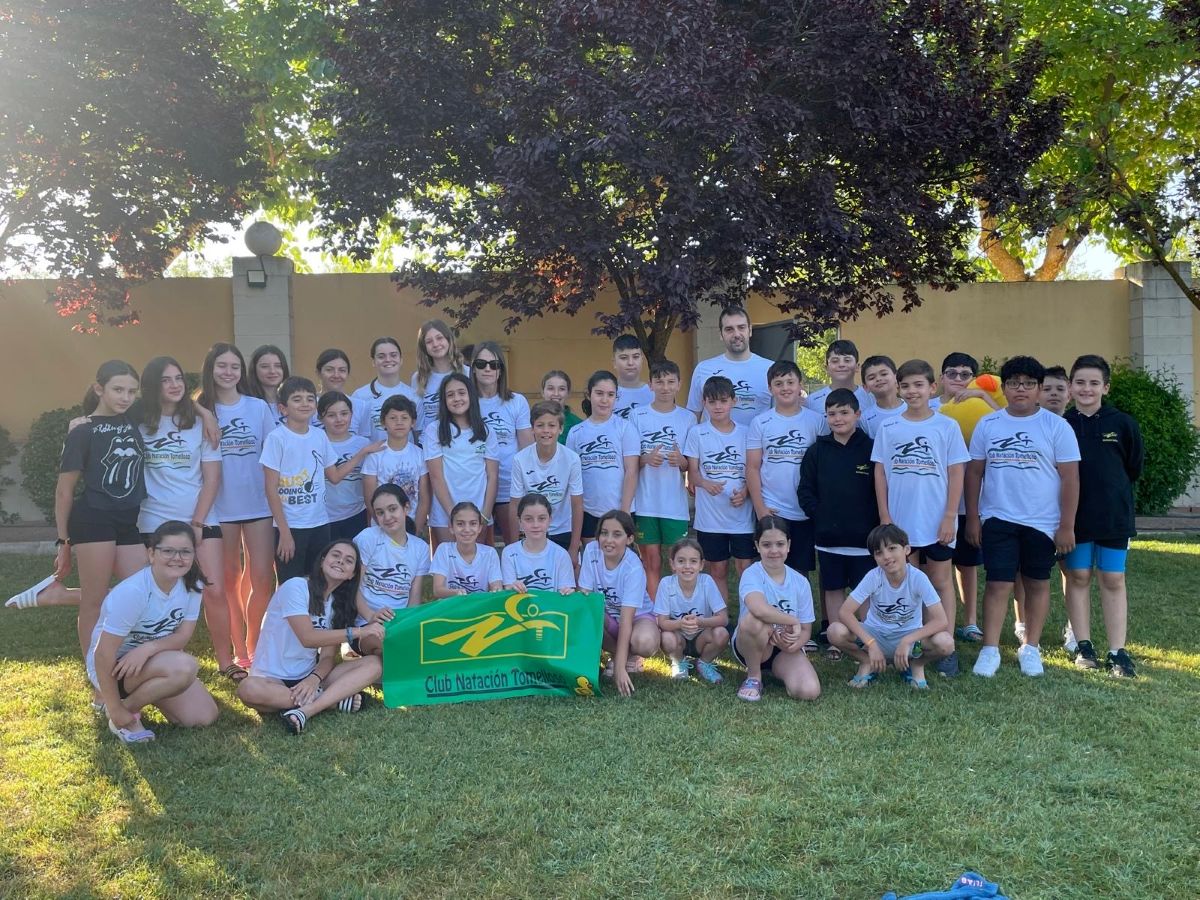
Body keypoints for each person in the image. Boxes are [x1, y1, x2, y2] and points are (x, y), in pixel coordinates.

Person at [11, 361, 149, 673]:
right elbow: (64, 491)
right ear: (99, 388)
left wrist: (206, 414)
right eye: (118, 389)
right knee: (94, 601)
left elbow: (177, 400)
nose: (125, 397)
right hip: (93, 519)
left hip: (127, 521)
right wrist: (64, 543)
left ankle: (59, 596)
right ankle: (95, 673)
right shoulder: (82, 431)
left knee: (142, 593)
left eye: (131, 391)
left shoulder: (134, 417)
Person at [966, 356, 1080, 678]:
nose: (1021, 389)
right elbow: (974, 473)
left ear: (1039, 389)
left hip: (1042, 522)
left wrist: (1067, 526)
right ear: (1004, 388)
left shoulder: (1056, 427)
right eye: (1014, 383)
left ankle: (1031, 648)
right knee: (998, 584)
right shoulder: (988, 424)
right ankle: (989, 650)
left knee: (1037, 583)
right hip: (998, 518)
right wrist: (973, 517)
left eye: (1029, 384)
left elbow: (1071, 478)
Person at [136, 356, 238, 681]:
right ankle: (157, 660)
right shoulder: (138, 422)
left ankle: (226, 661)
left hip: (201, 519)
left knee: (214, 590)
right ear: (153, 385)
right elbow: (106, 410)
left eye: (178, 378)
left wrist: (196, 522)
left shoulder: (200, 423)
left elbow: (212, 478)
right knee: (155, 596)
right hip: (152, 521)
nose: (174, 385)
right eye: (166, 379)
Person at [872, 359, 969, 677]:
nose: (912, 391)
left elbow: (956, 472)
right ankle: (911, 644)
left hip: (937, 521)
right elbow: (880, 472)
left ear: (932, 388)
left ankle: (946, 645)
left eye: (919, 385)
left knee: (940, 583)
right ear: (899, 389)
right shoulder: (889, 427)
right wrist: (885, 516)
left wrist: (950, 515)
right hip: (901, 524)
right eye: (906, 386)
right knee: (907, 584)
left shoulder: (946, 426)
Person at [86, 521, 219, 743]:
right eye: (168, 551)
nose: (177, 558)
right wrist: (115, 704)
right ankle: (120, 714)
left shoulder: (192, 585)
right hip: (114, 668)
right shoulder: (134, 591)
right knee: (185, 667)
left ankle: (128, 706)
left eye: (185, 552)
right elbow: (103, 654)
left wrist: (147, 649)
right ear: (151, 554)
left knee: (203, 716)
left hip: (152, 661)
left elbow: (182, 637)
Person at [236, 541, 384, 735]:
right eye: (335, 555)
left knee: (374, 664)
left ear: (352, 574)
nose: (340, 561)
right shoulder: (296, 587)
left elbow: (327, 657)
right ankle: (332, 701)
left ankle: (307, 709)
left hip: (309, 678)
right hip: (271, 680)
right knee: (248, 689)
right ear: (322, 561)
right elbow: (307, 638)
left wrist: (314, 679)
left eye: (349, 561)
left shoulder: (337, 605)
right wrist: (358, 632)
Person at [198, 342, 279, 665]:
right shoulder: (201, 409)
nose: (228, 372)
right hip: (221, 507)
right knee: (228, 579)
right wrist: (203, 411)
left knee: (262, 578)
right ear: (210, 369)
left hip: (259, 504)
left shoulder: (257, 407)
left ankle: (254, 643)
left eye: (234, 366)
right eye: (222, 366)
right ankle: (239, 652)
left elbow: (274, 454)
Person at [1062, 354, 1143, 677]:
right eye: (1080, 382)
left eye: (1094, 383)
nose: (1087, 389)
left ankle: (1117, 651)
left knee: (1112, 578)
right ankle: (1084, 646)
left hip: (1113, 517)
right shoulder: (1062, 424)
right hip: (1075, 518)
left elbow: (1133, 467)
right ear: (1070, 386)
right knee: (1078, 576)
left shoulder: (1123, 423)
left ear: (1105, 387)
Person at [261, 376, 380, 582]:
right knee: (291, 584)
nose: (304, 403)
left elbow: (334, 476)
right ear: (283, 408)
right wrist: (284, 532)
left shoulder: (319, 436)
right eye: (297, 399)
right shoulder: (276, 438)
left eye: (309, 398)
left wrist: (361, 453)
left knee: (318, 581)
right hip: (291, 526)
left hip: (320, 524)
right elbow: (271, 489)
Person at [797, 388, 879, 658]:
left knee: (863, 590)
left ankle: (868, 637)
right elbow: (805, 490)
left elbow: (881, 489)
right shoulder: (817, 451)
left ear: (857, 414)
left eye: (844, 413)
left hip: (864, 538)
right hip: (828, 538)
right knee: (832, 588)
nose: (838, 419)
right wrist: (820, 515)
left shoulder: (871, 448)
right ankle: (836, 638)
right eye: (832, 414)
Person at [827, 524, 954, 689]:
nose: (886, 556)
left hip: (910, 636)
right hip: (876, 634)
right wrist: (871, 643)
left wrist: (908, 640)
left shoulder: (918, 578)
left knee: (946, 643)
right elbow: (845, 612)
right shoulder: (873, 577)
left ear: (907, 549)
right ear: (874, 557)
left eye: (892, 548)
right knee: (835, 631)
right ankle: (867, 662)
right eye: (879, 552)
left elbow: (941, 621)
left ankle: (916, 665)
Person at [746, 359, 823, 592]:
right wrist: (760, 509)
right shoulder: (760, 422)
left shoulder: (816, 421)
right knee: (768, 570)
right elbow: (752, 467)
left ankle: (798, 614)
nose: (785, 388)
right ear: (770, 388)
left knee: (799, 573)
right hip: (772, 509)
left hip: (804, 511)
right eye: (779, 383)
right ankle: (766, 612)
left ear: (800, 385)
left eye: (790, 382)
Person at [935, 352, 994, 644]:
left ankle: (969, 621)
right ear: (941, 378)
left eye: (965, 374)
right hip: (936, 502)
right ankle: (937, 619)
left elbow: (1005, 423)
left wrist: (983, 396)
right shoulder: (931, 407)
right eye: (952, 373)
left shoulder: (984, 406)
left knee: (967, 564)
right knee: (936, 566)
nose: (958, 379)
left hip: (971, 501)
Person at [729, 516, 821, 702]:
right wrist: (792, 620)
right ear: (757, 546)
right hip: (752, 642)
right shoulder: (752, 574)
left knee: (809, 691)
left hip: (782, 648)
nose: (774, 551)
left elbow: (805, 630)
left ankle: (780, 669)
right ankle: (754, 676)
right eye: (766, 545)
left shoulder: (800, 582)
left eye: (780, 544)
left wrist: (793, 644)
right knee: (755, 620)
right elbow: (758, 609)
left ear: (788, 545)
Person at [685, 376, 755, 603]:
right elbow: (692, 473)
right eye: (712, 401)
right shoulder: (697, 433)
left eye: (723, 401)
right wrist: (705, 483)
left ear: (733, 401)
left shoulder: (746, 432)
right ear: (704, 402)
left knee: (745, 568)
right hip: (710, 518)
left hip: (741, 516)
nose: (718, 407)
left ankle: (748, 616)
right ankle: (721, 617)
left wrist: (746, 492)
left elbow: (755, 470)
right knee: (717, 570)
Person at [629, 359, 694, 598]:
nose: (665, 387)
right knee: (651, 560)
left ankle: (681, 607)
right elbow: (630, 460)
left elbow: (691, 464)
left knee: (681, 561)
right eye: (659, 381)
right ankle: (656, 611)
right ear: (650, 385)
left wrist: (681, 462)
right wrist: (646, 459)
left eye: (670, 382)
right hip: (645, 503)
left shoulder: (687, 418)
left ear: (679, 384)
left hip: (674, 505)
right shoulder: (637, 416)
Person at [579, 509, 659, 697]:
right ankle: (620, 655)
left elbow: (626, 620)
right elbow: (585, 598)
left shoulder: (633, 567)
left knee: (645, 642)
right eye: (604, 533)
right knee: (586, 613)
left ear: (629, 539)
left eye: (617, 534)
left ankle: (626, 658)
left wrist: (619, 669)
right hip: (606, 616)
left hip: (637, 619)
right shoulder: (591, 551)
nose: (608, 540)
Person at [422, 372, 499, 547]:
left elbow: (492, 476)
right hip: (445, 515)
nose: (457, 398)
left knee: (477, 562)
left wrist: (485, 514)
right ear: (444, 400)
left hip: (479, 514)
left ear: (471, 395)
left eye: (462, 393)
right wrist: (453, 516)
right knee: (450, 562)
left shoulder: (486, 431)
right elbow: (436, 477)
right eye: (450, 395)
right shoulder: (434, 430)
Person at [351, 485, 431, 655]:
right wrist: (371, 616)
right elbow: (352, 587)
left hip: (400, 622)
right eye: (380, 513)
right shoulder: (368, 538)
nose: (387, 517)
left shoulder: (420, 548)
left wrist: (406, 625)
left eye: (392, 509)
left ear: (406, 508)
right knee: (390, 649)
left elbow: (414, 598)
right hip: (366, 623)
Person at [566, 370, 639, 543]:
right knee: (592, 556)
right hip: (588, 511)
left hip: (619, 509)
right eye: (599, 393)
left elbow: (631, 471)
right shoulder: (576, 432)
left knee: (616, 556)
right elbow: (572, 477)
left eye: (610, 395)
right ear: (589, 394)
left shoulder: (625, 428)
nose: (605, 400)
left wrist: (624, 512)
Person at [471, 341, 532, 544]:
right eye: (481, 364)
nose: (487, 369)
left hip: (509, 486)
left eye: (494, 364)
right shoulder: (466, 402)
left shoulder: (516, 401)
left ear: (501, 370)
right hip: (478, 487)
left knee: (515, 547)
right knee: (481, 551)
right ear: (473, 368)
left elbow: (527, 449)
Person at [509, 400, 583, 557]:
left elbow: (577, 505)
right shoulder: (520, 459)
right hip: (531, 530)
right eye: (540, 425)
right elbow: (515, 505)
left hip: (562, 531)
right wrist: (514, 547)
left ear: (560, 429)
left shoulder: (572, 459)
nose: (546, 430)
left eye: (552, 425)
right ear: (532, 429)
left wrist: (574, 547)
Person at [653, 537, 729, 683]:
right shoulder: (666, 584)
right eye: (681, 561)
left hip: (702, 636)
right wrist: (680, 624)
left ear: (701, 565)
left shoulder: (706, 582)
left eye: (693, 561)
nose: (687, 566)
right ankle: (679, 662)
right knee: (666, 638)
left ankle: (704, 663)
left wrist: (700, 622)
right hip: (678, 637)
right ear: (672, 564)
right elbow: (662, 622)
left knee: (721, 633)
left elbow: (723, 618)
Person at [685, 305, 773, 425]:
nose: (736, 334)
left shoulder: (770, 369)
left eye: (741, 327)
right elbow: (692, 418)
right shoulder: (703, 369)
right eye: (729, 329)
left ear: (750, 330)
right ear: (721, 334)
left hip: (759, 438)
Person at [360, 394, 430, 534]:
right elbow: (369, 498)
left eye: (404, 418)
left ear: (413, 422)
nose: (399, 422)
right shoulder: (374, 456)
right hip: (381, 528)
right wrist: (383, 525)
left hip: (411, 526)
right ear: (383, 422)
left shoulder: (420, 454)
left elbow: (424, 498)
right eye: (393, 418)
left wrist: (416, 529)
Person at [318, 392, 371, 541]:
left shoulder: (363, 443)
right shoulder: (317, 442)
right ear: (320, 417)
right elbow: (333, 477)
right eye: (331, 415)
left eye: (344, 413)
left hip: (357, 513)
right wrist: (360, 454)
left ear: (351, 414)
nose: (339, 419)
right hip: (325, 516)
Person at [501, 493, 577, 593]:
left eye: (541, 518)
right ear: (520, 522)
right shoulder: (509, 553)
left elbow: (564, 597)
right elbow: (507, 593)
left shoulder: (561, 555)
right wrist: (512, 588)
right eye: (528, 519)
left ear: (550, 520)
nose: (535, 525)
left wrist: (567, 592)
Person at [350, 337, 420, 444]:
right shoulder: (360, 396)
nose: (388, 360)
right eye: (381, 356)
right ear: (373, 362)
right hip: (372, 454)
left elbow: (418, 435)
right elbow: (353, 435)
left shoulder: (414, 395)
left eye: (393, 355)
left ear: (401, 360)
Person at [430, 501, 504, 597]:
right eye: (460, 524)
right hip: (452, 605)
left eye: (473, 524)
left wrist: (496, 590)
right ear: (451, 527)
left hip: (479, 605)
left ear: (480, 528)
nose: (467, 529)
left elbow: (496, 587)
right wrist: (458, 593)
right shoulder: (444, 550)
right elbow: (437, 590)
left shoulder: (490, 553)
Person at [412, 319, 468, 430]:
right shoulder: (418, 378)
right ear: (424, 347)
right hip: (428, 439)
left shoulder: (467, 373)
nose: (435, 344)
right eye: (429, 341)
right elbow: (417, 419)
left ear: (448, 339)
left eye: (439, 338)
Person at [804, 339, 874, 415]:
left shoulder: (871, 398)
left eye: (847, 360)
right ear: (827, 368)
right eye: (835, 361)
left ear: (857, 367)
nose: (841, 365)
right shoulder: (811, 402)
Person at [859, 355, 906, 437]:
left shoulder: (913, 407)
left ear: (896, 377)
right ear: (865, 387)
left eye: (884, 374)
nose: (878, 379)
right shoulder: (865, 418)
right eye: (871, 378)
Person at [611, 334, 654, 419]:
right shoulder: (605, 394)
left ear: (642, 359)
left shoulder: (654, 393)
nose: (630, 363)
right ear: (614, 362)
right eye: (624, 358)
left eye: (635, 357)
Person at [247, 344, 290, 421]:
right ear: (254, 369)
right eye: (265, 366)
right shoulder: (246, 404)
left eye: (278, 366)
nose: (272, 371)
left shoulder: (295, 402)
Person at [541, 370, 583, 443]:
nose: (556, 394)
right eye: (550, 388)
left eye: (562, 389)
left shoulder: (578, 425)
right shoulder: (530, 422)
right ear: (542, 392)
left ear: (568, 393)